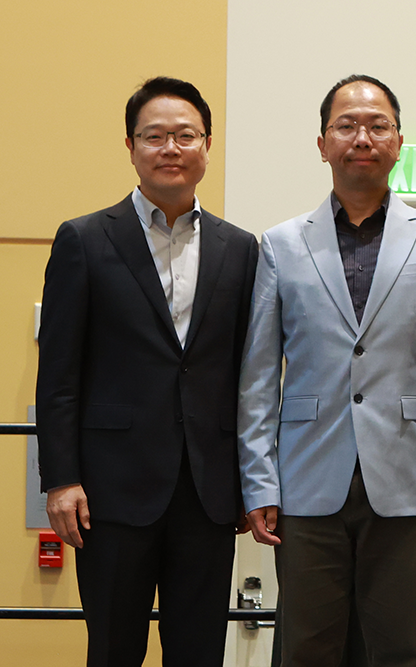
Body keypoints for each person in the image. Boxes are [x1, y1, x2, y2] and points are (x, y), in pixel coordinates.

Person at [237, 74, 416, 667]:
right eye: (346, 125)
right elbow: (259, 378)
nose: (361, 137)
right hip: (304, 479)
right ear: (322, 144)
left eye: (377, 125)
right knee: (305, 648)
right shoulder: (280, 244)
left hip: (407, 480)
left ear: (399, 142)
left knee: (399, 647)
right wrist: (261, 482)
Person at [36, 76, 259, 666]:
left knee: (199, 650)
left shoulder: (241, 249)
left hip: (208, 491)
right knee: (112, 649)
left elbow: (246, 372)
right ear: (131, 147)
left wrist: (250, 481)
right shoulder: (84, 239)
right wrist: (60, 478)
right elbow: (58, 373)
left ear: (207, 145)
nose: (170, 148)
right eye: (154, 135)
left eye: (185, 135)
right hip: (109, 491)